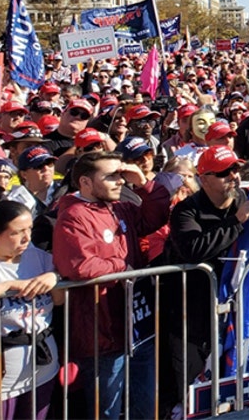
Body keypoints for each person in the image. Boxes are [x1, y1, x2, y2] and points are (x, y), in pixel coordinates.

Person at [160, 146, 249, 413]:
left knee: (236, 391)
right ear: (203, 178)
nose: (233, 176)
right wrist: (238, 220)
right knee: (193, 394)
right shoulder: (186, 210)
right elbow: (194, 250)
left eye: (235, 169)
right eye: (223, 173)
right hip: (193, 316)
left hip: (238, 313)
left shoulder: (245, 197)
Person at [52, 151, 170, 420]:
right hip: (101, 330)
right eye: (111, 176)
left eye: (120, 174)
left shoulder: (119, 207)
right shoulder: (72, 215)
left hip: (137, 324)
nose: (119, 181)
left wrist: (144, 183)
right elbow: (78, 265)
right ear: (85, 182)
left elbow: (155, 217)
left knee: (145, 403)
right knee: (107, 410)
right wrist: (123, 267)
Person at [0, 200, 62, 420]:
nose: (27, 238)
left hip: (43, 369)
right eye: (17, 233)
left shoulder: (37, 256)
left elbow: (60, 299)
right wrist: (4, 287)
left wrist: (54, 277)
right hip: (0, 377)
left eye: (29, 229)